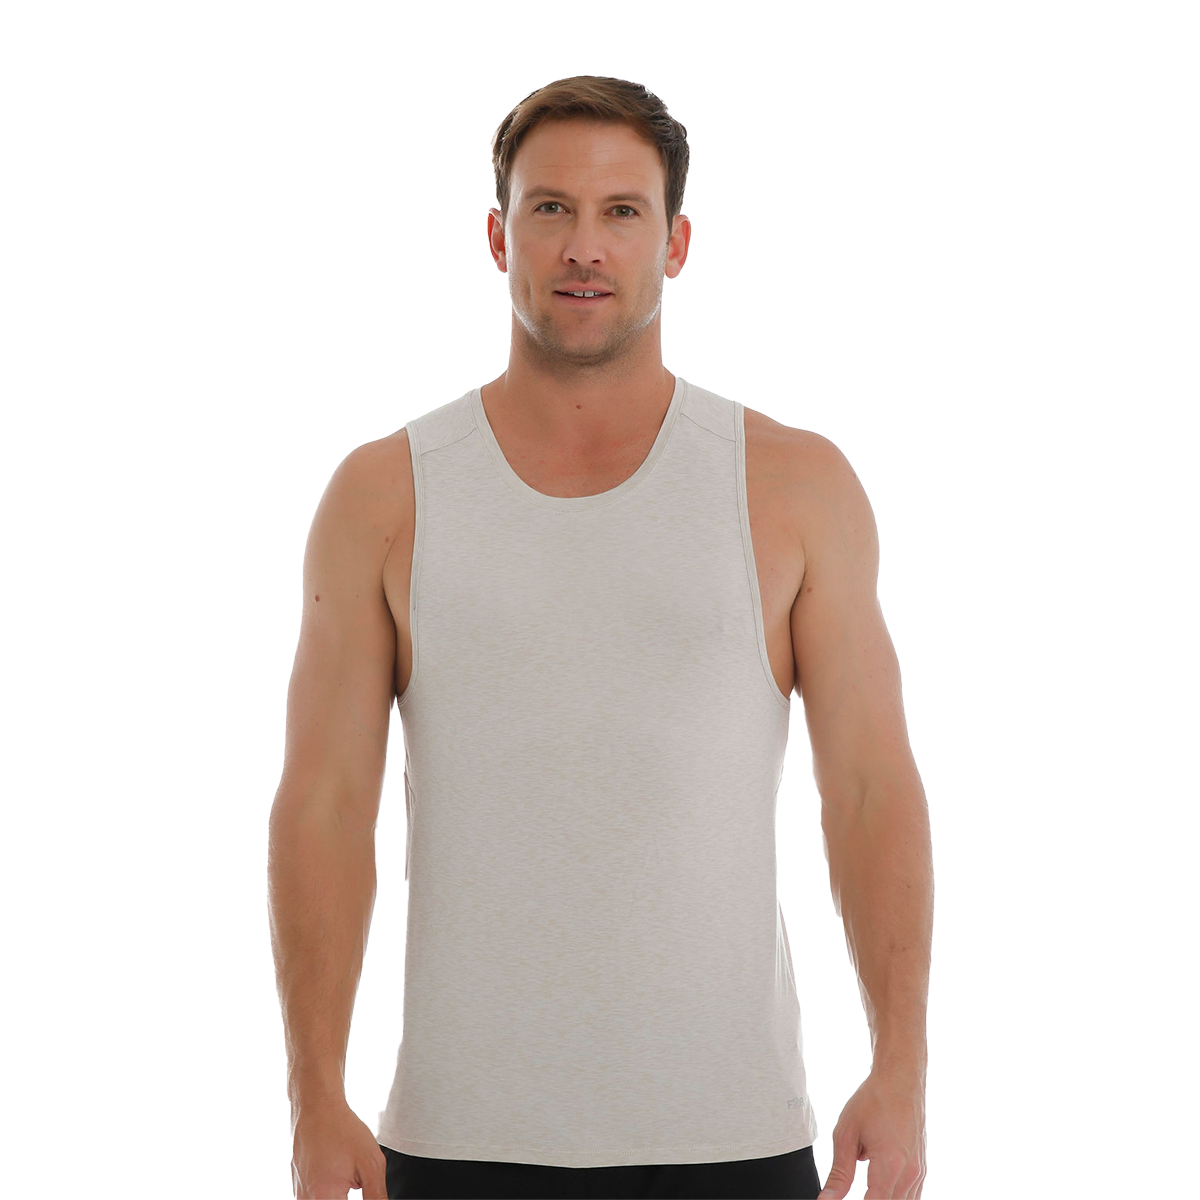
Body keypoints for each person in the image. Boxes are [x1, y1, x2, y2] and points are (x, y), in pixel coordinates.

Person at [267, 74, 931, 1200]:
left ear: (674, 243)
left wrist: (902, 1067)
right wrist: (314, 1094)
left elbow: (868, 789)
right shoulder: (386, 494)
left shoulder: (791, 487)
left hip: (729, 1135)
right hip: (459, 1138)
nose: (585, 246)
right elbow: (326, 802)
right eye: (551, 208)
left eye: (622, 211)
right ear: (499, 236)